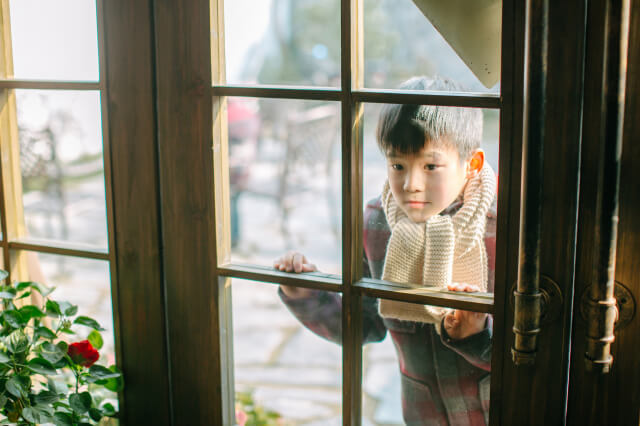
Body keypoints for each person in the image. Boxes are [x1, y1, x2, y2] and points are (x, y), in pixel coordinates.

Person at [273, 76, 497, 426]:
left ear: (472, 164)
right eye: (398, 166)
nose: (411, 185)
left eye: (430, 166)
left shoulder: (505, 229)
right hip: (424, 415)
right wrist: (305, 296)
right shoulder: (378, 223)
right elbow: (366, 323)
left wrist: (476, 338)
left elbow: (539, 354)